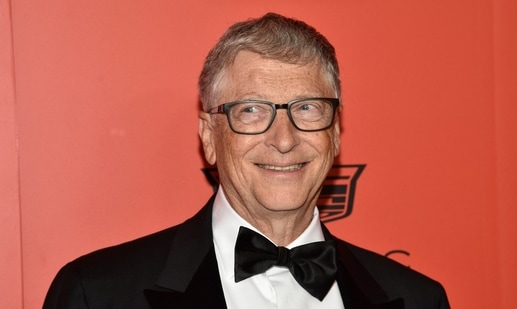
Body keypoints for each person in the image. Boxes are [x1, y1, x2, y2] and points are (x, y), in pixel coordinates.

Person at [43, 12, 450, 309]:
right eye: (252, 110)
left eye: (307, 108)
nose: (285, 139)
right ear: (209, 137)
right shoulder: (97, 294)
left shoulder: (418, 300)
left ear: (336, 132)